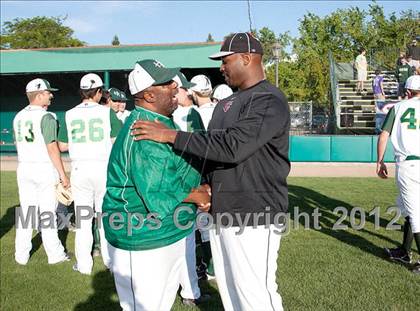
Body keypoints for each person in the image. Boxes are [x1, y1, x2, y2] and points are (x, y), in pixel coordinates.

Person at [131, 32, 290, 311]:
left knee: (256, 294)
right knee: (230, 294)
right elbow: (211, 153)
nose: (221, 67)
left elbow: (233, 147)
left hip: (256, 211)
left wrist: (171, 136)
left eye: (225, 60)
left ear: (247, 58)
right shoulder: (226, 104)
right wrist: (204, 188)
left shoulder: (269, 100)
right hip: (222, 209)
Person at [102, 59, 211, 310]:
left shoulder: (161, 121)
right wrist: (200, 196)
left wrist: (202, 187)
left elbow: (179, 168)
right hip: (141, 236)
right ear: (149, 94)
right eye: (166, 83)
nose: (175, 86)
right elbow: (160, 190)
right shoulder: (143, 129)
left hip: (165, 232)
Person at [58, 73, 122, 275]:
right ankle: (111, 264)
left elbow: (62, 145)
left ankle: (84, 266)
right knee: (105, 218)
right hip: (102, 167)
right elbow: (117, 140)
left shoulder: (69, 113)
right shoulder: (106, 112)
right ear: (99, 92)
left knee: (83, 221)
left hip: (79, 168)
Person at [13, 78, 70, 265]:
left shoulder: (18, 116)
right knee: (48, 214)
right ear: (39, 95)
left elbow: (16, 143)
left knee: (26, 212)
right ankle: (55, 255)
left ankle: (20, 255)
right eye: (48, 92)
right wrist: (63, 174)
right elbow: (52, 148)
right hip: (44, 168)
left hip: (24, 167)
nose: (51, 95)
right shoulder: (48, 117)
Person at [172, 72, 211, 306]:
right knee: (187, 236)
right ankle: (189, 291)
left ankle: (175, 287)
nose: (188, 92)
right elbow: (203, 148)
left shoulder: (156, 114)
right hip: (187, 179)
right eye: (184, 88)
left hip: (164, 180)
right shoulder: (191, 113)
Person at [377, 75, 420, 275]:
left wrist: (379, 161)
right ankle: (404, 250)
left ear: (408, 91)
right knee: (407, 208)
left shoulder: (398, 107)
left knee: (415, 214)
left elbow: (384, 135)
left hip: (407, 166)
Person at [372, 69, 386, 134]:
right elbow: (381, 85)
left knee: (377, 108)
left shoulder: (374, 78)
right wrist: (383, 92)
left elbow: (373, 86)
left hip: (375, 93)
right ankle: (379, 126)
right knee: (381, 108)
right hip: (379, 93)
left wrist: (374, 93)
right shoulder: (380, 77)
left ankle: (376, 121)